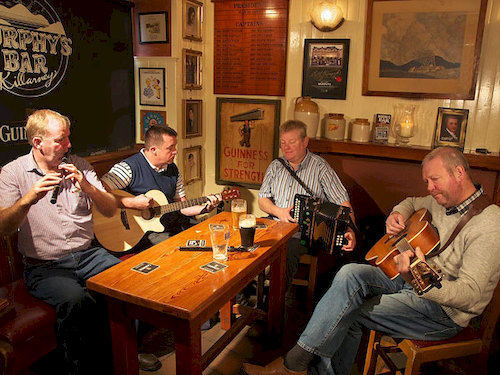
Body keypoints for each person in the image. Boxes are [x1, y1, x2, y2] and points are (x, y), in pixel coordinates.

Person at [243, 147, 500, 375]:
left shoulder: (489, 224)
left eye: (434, 180)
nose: (429, 188)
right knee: (350, 273)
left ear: (458, 173)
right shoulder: (442, 200)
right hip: (410, 282)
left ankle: (296, 364)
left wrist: (419, 278)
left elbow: (470, 294)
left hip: (442, 312)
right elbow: (410, 202)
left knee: (350, 312)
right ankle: (298, 365)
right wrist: (397, 214)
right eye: (427, 181)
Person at [0, 109, 121, 374]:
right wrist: (29, 199)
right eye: (61, 140)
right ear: (37, 143)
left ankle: (121, 357)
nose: (68, 145)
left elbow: (111, 209)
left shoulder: (80, 165)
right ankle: (77, 368)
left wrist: (88, 187)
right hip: (45, 266)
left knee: (124, 282)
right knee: (76, 300)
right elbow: (4, 227)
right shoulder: (13, 173)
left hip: (89, 255)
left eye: (68, 138)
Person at [258, 120, 356, 287]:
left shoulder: (320, 167)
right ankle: (246, 294)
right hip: (274, 225)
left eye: (292, 142)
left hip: (303, 233)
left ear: (305, 142)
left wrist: (350, 229)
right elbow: (262, 199)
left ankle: (273, 304)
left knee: (286, 251)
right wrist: (279, 211)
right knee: (246, 240)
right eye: (283, 143)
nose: (286, 147)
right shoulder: (275, 166)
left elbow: (342, 202)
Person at [101, 125, 220, 249]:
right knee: (176, 249)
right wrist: (132, 203)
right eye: (170, 148)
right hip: (142, 233)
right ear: (153, 150)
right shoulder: (128, 168)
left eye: (175, 146)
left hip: (172, 225)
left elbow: (182, 205)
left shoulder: (172, 168)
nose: (176, 151)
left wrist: (205, 208)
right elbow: (99, 194)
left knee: (207, 237)